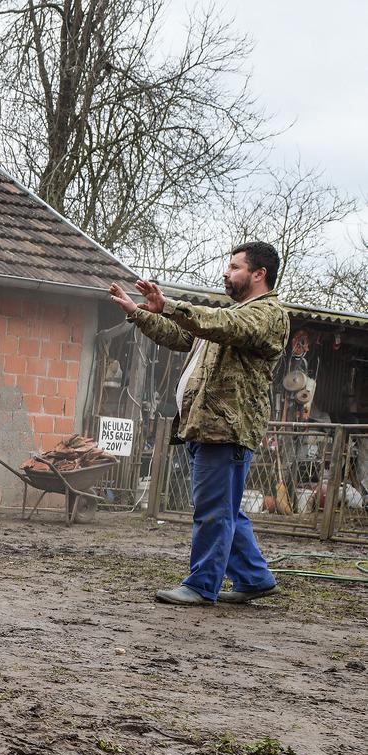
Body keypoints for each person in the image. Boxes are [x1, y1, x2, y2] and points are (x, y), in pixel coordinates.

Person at [108, 242, 288, 606]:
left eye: (235, 267)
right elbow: (183, 337)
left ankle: (202, 585)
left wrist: (172, 306)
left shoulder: (266, 315)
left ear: (259, 274)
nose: (226, 272)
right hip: (205, 427)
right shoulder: (235, 315)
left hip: (226, 431)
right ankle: (254, 578)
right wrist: (139, 313)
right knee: (224, 508)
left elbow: (221, 324)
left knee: (214, 511)